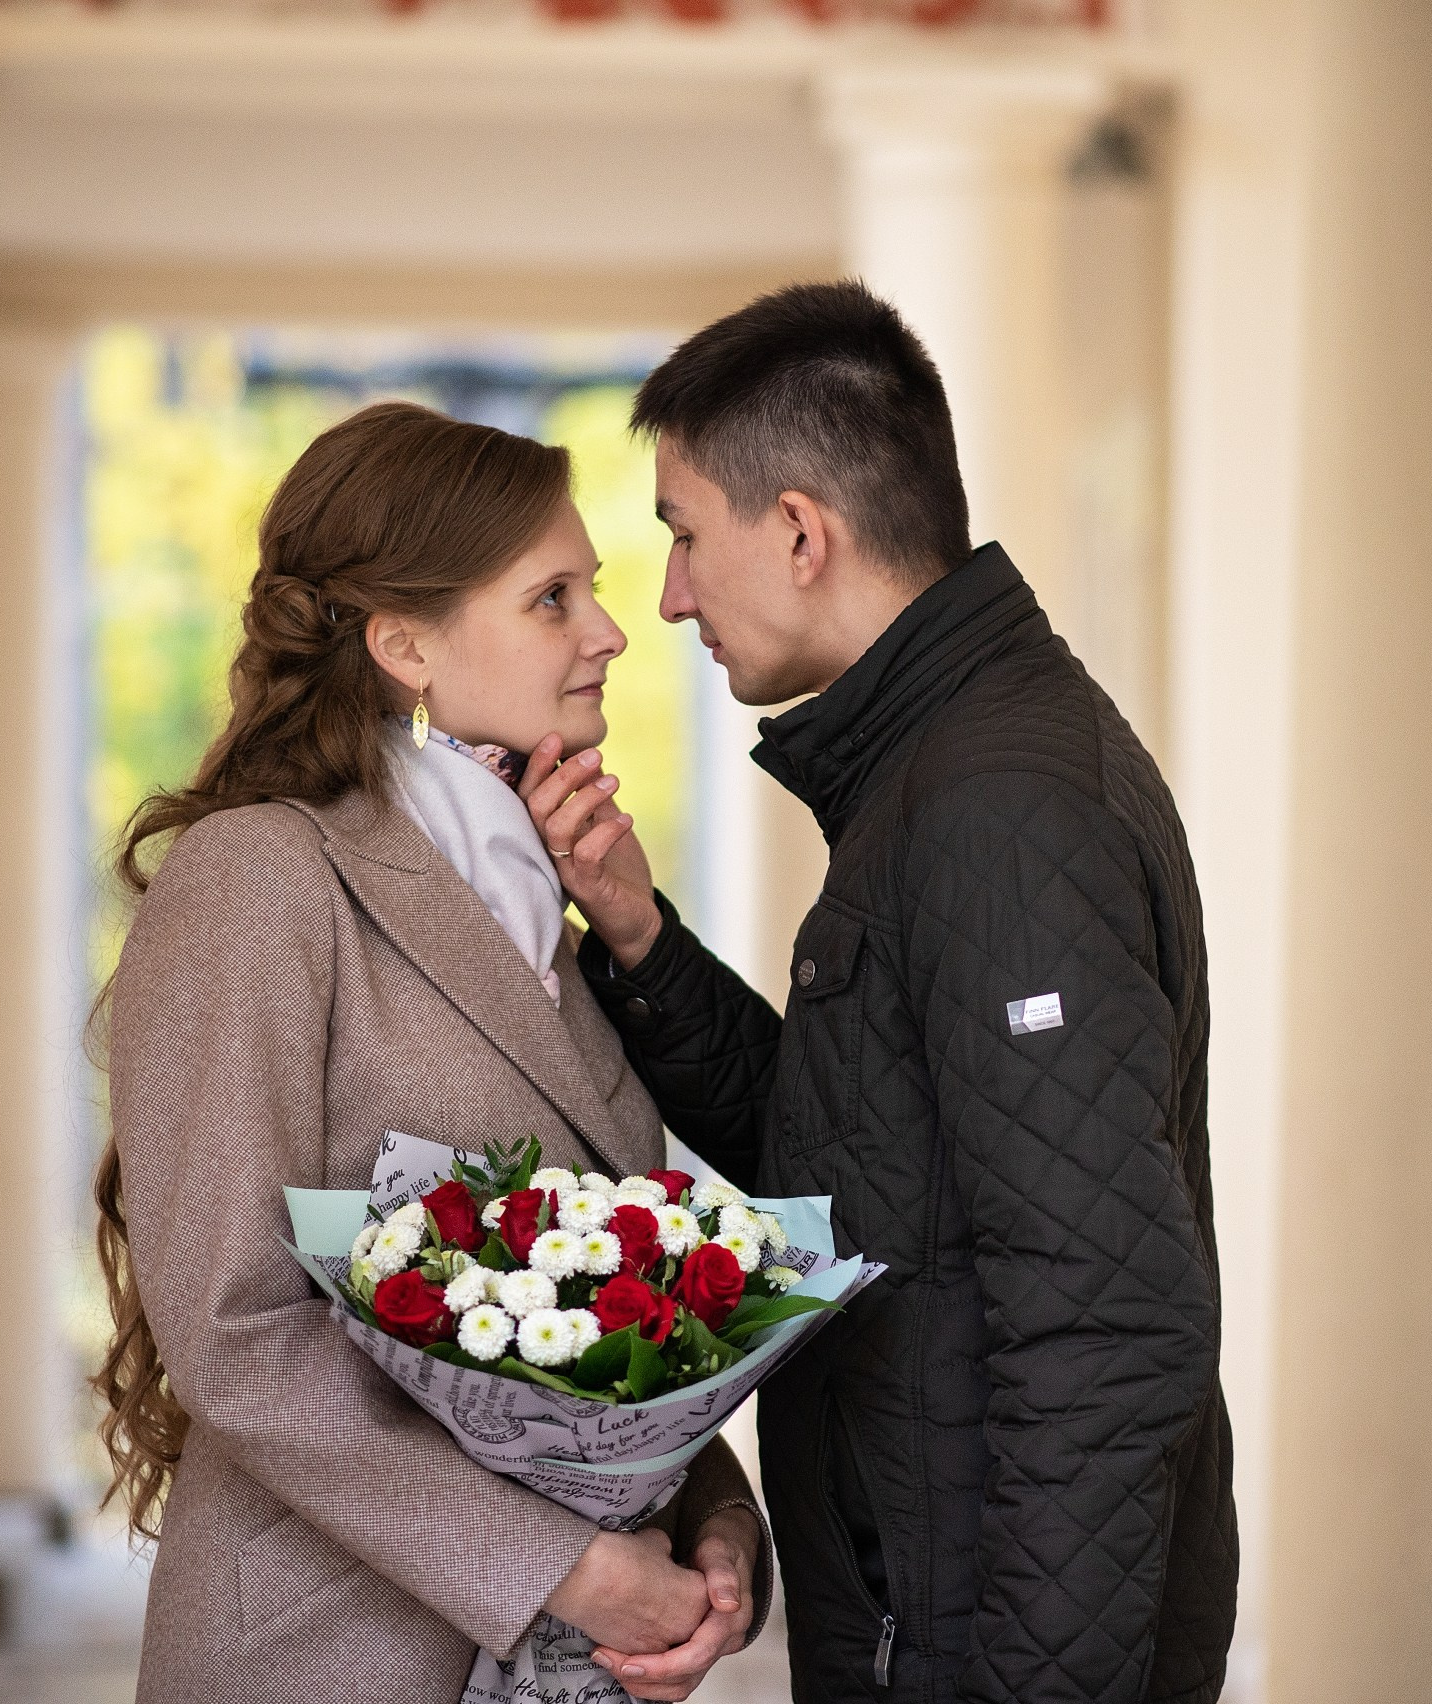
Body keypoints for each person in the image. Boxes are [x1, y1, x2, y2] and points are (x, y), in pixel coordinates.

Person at [519, 283, 1240, 1703]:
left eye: (679, 536)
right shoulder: (941, 780)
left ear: (799, 533)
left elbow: (1107, 1322)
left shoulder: (1003, 809)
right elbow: (871, 1164)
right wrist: (642, 941)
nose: (663, 598)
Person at [92, 401, 770, 1704]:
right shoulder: (258, 881)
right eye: (552, 599)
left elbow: (617, 1317)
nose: (612, 632)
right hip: (324, 1657)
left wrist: (712, 1531)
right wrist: (559, 1565)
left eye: (598, 591)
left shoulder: (543, 921)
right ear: (404, 645)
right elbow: (232, 1332)